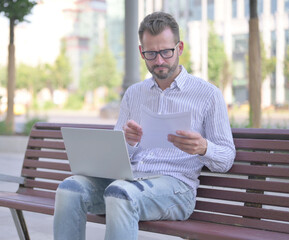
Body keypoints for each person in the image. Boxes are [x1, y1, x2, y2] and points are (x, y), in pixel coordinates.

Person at [53, 11, 236, 240]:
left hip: (176, 188)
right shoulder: (134, 94)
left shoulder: (208, 95)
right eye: (151, 53)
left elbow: (227, 157)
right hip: (131, 181)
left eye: (166, 52)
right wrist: (127, 142)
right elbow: (115, 157)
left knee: (120, 194)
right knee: (70, 190)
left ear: (179, 48)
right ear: (141, 52)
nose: (159, 61)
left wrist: (203, 147)